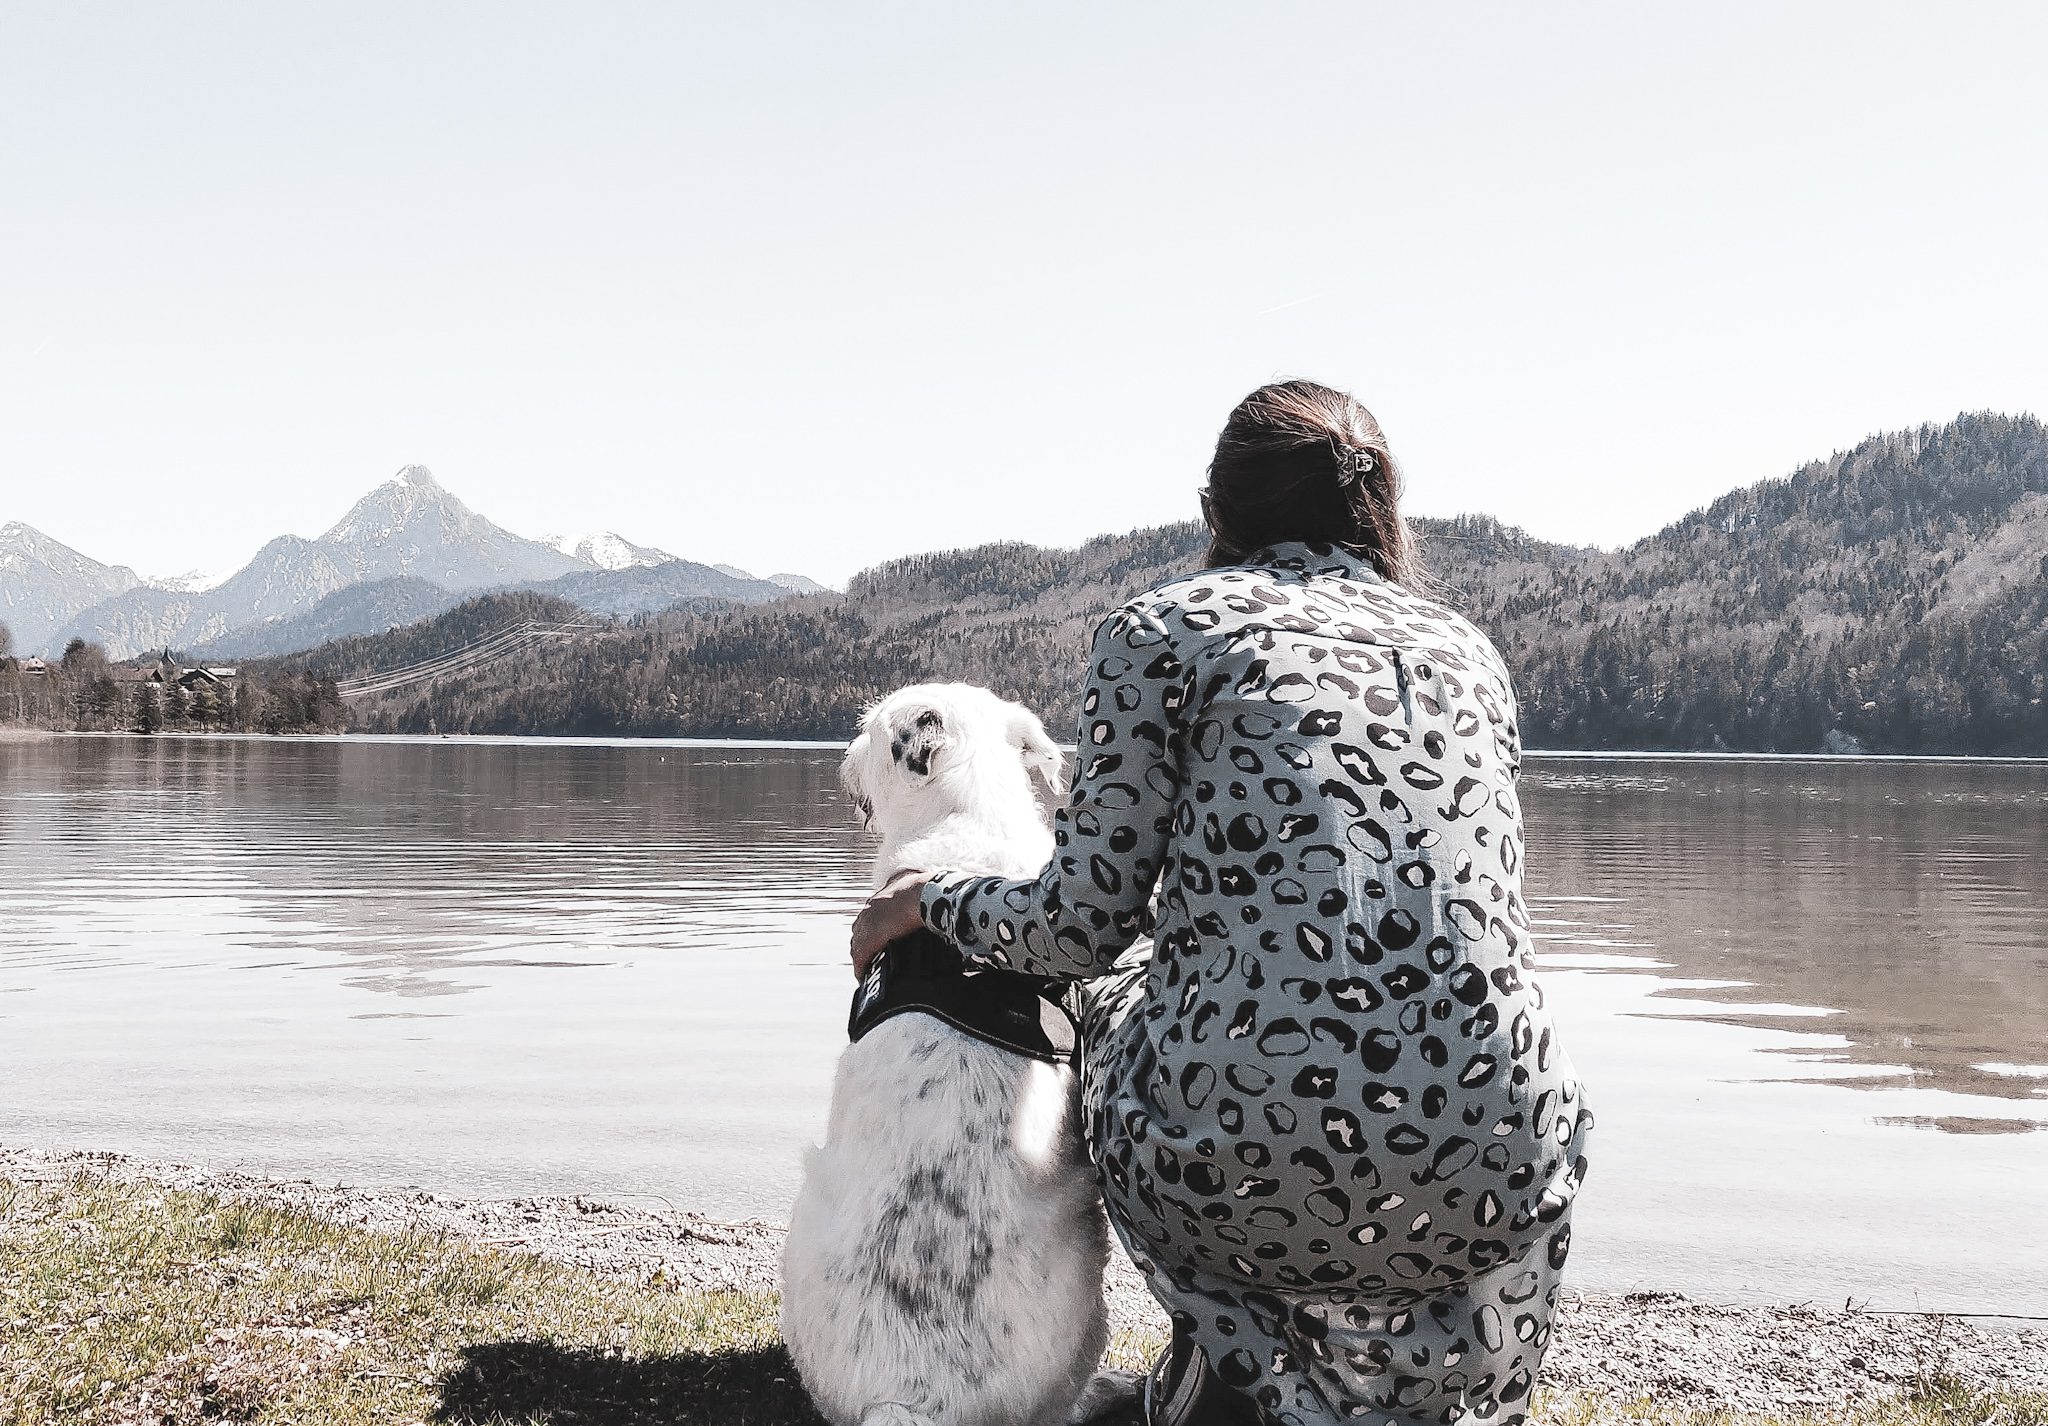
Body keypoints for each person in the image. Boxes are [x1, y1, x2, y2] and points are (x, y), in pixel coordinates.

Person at [851, 380, 1592, 1426]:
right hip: (1498, 1154)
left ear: (1215, 511)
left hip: (1240, 1156)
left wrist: (937, 900)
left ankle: (1220, 1374)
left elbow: (1077, 927)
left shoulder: (1159, 630)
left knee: (1117, 1004)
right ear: (1381, 512)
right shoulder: (1467, 651)